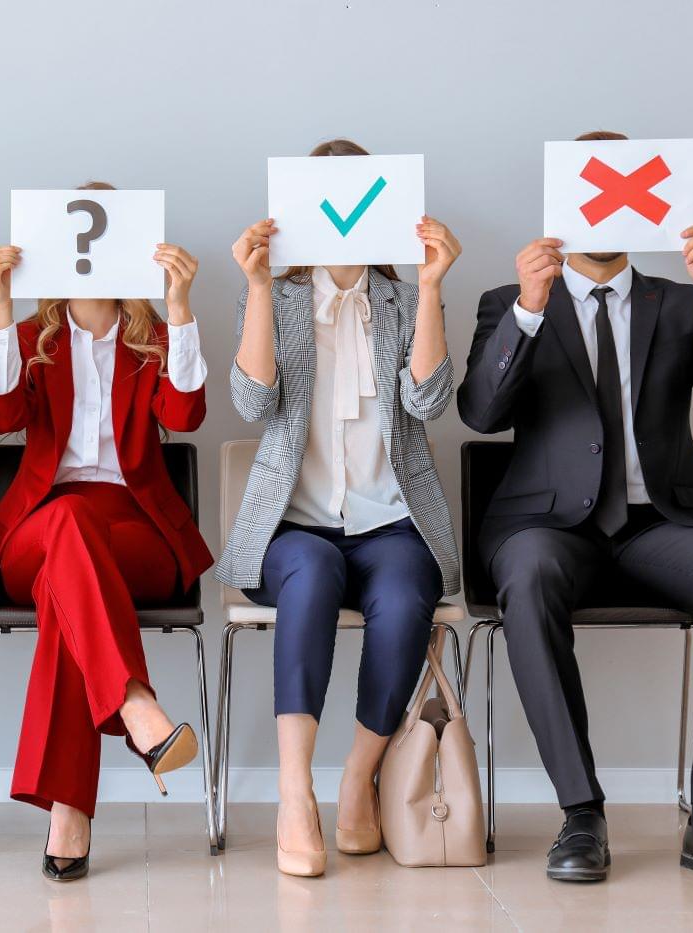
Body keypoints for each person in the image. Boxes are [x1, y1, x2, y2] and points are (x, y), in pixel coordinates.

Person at [457, 131, 693, 887]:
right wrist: (531, 314)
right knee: (530, 574)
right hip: (546, 528)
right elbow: (478, 411)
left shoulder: (677, 304)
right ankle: (581, 813)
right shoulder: (509, 302)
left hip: (658, 526)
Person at [219, 138, 464, 878]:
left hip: (389, 520)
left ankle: (359, 774)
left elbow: (428, 398)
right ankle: (296, 793)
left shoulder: (398, 299)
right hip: (294, 529)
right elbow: (254, 401)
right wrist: (259, 287)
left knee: (404, 590)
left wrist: (429, 286)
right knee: (314, 574)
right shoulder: (283, 298)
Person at [0, 183, 214, 881]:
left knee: (66, 600)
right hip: (37, 527)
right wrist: (0, 305)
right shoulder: (28, 338)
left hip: (135, 530)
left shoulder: (155, 340)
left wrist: (179, 307)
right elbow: (6, 418)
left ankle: (69, 810)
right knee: (70, 528)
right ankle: (136, 703)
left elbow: (187, 416)